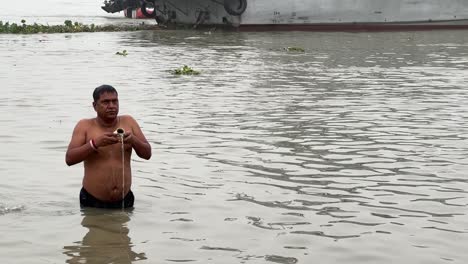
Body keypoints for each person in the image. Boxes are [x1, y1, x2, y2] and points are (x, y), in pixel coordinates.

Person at [65, 85, 151, 208]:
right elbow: (69, 159)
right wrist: (95, 144)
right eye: (106, 102)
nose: (111, 106)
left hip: (124, 201)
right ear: (95, 106)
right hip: (92, 201)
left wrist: (133, 140)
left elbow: (147, 154)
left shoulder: (129, 121)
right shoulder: (84, 126)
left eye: (115, 101)